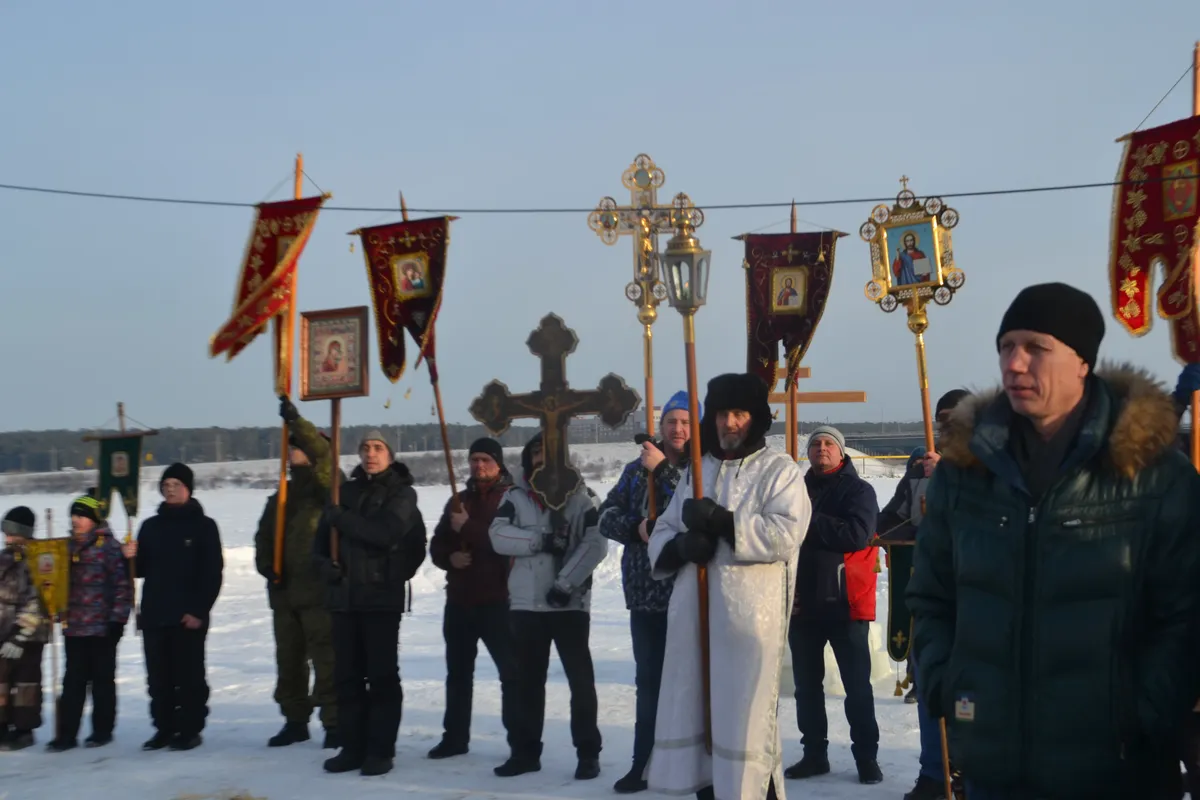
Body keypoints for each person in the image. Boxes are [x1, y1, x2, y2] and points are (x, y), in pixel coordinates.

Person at [908, 282, 1200, 799]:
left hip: (1117, 769)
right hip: (996, 768)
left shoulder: (1152, 475)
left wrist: (1143, 711)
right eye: (1006, 347)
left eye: (1036, 348)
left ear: (1082, 362)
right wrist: (947, 684)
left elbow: (1186, 613)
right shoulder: (967, 472)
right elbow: (933, 595)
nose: (1015, 364)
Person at [647, 372, 811, 800]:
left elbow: (784, 534)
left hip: (748, 626)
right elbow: (663, 529)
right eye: (722, 414)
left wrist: (723, 523)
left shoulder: (781, 471)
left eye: (739, 413)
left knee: (746, 725)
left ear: (755, 418)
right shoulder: (697, 470)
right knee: (698, 720)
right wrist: (682, 545)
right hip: (695, 621)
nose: (729, 423)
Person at [488, 431, 607, 781]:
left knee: (580, 682)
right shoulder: (515, 496)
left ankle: (588, 753)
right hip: (527, 604)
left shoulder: (582, 497)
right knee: (528, 683)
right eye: (535, 453)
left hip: (568, 604)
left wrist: (565, 583)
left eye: (548, 453)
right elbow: (498, 535)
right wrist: (539, 540)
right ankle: (525, 752)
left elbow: (595, 542)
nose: (541, 459)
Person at [313, 430, 427, 778]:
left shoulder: (402, 494)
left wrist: (393, 574)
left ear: (390, 455)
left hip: (380, 598)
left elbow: (387, 534)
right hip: (344, 598)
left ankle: (380, 749)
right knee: (346, 676)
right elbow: (318, 546)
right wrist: (327, 568)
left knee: (380, 677)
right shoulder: (343, 493)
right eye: (365, 449)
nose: (370, 454)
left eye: (377, 448)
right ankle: (352, 746)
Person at [598, 390, 695, 793]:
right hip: (645, 595)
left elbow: (693, 513)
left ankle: (692, 762)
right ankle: (644, 762)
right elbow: (606, 516)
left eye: (686, 422)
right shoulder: (635, 471)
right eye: (672, 421)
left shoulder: (700, 470)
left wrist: (664, 473)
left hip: (687, 594)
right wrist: (636, 528)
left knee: (690, 684)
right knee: (650, 683)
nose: (678, 428)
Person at [877, 390, 970, 800]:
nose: (946, 426)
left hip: (975, 599)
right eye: (941, 418)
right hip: (931, 595)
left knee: (969, 693)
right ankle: (934, 772)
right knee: (931, 683)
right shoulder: (919, 469)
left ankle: (967, 771)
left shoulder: (991, 465)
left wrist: (951, 474)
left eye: (957, 418)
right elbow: (892, 518)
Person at [785, 425, 882, 785]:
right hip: (802, 604)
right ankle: (814, 754)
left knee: (857, 687)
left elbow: (856, 533)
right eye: (815, 444)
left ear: (841, 453)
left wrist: (806, 519)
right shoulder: (794, 489)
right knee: (807, 688)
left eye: (828, 444)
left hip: (845, 603)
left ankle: (866, 758)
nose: (821, 449)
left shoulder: (859, 490)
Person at [254, 397, 344, 749]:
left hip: (318, 592)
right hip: (284, 593)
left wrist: (295, 421)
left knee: (326, 658)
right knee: (288, 660)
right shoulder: (281, 497)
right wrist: (268, 569)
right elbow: (263, 538)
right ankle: (295, 719)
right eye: (290, 446)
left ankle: (334, 722)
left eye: (298, 446)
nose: (292, 451)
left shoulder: (326, 488)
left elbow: (323, 455)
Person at [426, 437, 518, 761]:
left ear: (499, 463)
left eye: (486, 460)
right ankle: (455, 738)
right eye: (474, 459)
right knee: (458, 674)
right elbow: (437, 545)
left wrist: (469, 528)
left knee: (511, 674)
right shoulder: (458, 500)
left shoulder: (512, 500)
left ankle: (519, 743)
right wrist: (450, 558)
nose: (479, 465)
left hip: (499, 600)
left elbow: (508, 542)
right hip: (461, 601)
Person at [123, 463, 224, 752]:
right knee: (158, 679)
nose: (170, 490)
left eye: (176, 485)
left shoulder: (204, 526)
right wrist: (129, 556)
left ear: (188, 489)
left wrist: (199, 611)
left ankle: (190, 730)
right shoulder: (150, 526)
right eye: (165, 485)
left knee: (189, 677)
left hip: (187, 615)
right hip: (155, 613)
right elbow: (139, 569)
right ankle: (163, 728)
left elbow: (212, 573)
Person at [46, 494, 131, 751]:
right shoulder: (66, 547)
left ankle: (102, 731)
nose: (75, 520)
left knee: (102, 681)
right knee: (73, 682)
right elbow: (55, 582)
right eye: (73, 515)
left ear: (94, 520)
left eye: (81, 516)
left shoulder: (109, 547)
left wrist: (118, 621)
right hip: (74, 626)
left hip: (102, 627)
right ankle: (66, 734)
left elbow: (121, 587)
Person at [0, 506, 51, 751]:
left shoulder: (39, 559)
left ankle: (24, 729)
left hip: (29, 635)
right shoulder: (4, 559)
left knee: (25, 684)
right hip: (2, 631)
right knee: (1, 683)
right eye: (5, 533)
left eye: (13, 533)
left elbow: (37, 601)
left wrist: (19, 636)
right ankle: (3, 725)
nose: (8, 538)